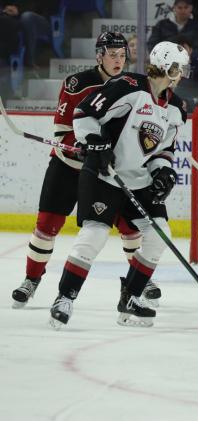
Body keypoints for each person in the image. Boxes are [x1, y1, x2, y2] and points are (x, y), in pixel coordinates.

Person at [11, 32, 160, 309]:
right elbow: (62, 130)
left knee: (130, 229)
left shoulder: (134, 86)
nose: (118, 60)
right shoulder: (77, 83)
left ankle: (139, 279)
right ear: (99, 56)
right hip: (68, 167)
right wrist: (80, 145)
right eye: (112, 55)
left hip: (108, 172)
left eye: (122, 55)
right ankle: (31, 280)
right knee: (46, 225)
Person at [48, 41, 189, 328]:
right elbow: (84, 114)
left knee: (160, 234)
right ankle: (65, 297)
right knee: (95, 235)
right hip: (104, 175)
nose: (182, 73)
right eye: (179, 68)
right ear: (167, 67)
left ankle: (131, 297)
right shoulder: (129, 85)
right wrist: (95, 141)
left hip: (139, 180)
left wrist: (163, 172)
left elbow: (163, 150)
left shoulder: (175, 107)